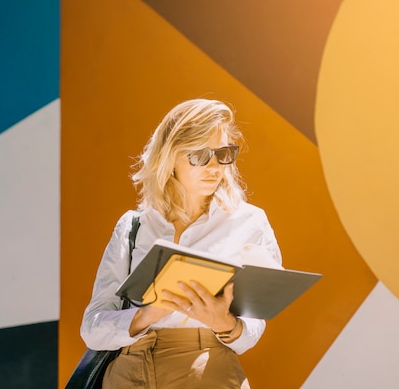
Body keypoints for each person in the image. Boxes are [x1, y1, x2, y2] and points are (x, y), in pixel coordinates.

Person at [80, 98, 283, 388]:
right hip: (127, 374)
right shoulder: (134, 225)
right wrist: (150, 313)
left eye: (224, 153)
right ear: (170, 157)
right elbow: (92, 328)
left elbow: (254, 329)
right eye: (200, 155)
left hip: (206, 370)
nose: (215, 167)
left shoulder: (249, 222)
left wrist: (225, 322)